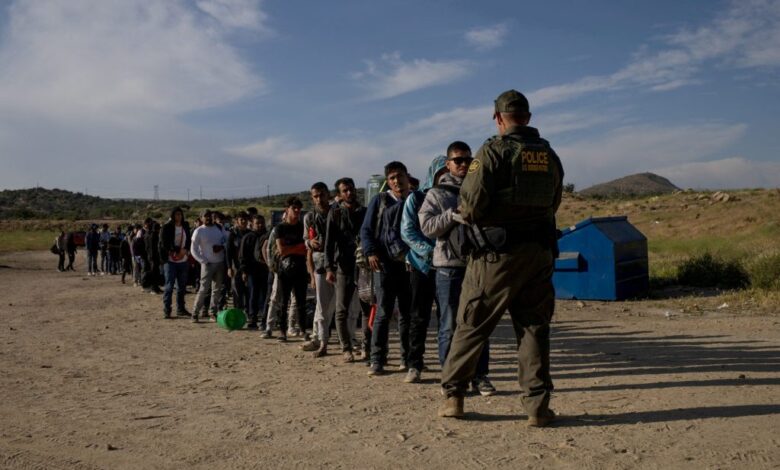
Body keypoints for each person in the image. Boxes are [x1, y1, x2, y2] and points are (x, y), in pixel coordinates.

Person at [437, 90, 563, 426]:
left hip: (496, 257)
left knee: (472, 323)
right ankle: (537, 407)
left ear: (498, 118)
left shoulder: (492, 151)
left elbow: (473, 205)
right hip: (538, 254)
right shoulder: (549, 155)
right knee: (534, 328)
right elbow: (553, 203)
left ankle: (454, 397)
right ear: (528, 117)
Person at [421, 141, 496, 396]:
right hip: (448, 269)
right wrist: (452, 214)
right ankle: (451, 379)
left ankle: (480, 376)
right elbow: (427, 227)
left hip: (478, 265)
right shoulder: (436, 194)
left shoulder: (481, 189)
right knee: (449, 324)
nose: (463, 164)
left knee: (479, 323)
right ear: (447, 164)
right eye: (458, 160)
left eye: (467, 160)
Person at [360, 161, 413, 376]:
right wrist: (371, 252)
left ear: (407, 177)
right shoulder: (380, 201)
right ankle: (378, 359)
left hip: (411, 265)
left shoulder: (415, 199)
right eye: (391, 178)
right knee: (383, 312)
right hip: (385, 264)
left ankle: (407, 358)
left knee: (408, 314)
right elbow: (366, 230)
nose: (396, 181)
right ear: (388, 182)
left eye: (399, 175)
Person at [399, 155, 447, 383]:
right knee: (419, 316)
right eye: (441, 173)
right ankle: (414, 363)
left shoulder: (454, 197)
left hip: (449, 266)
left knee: (448, 318)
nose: (444, 177)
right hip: (422, 266)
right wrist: (430, 252)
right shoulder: (416, 198)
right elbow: (408, 232)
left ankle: (448, 365)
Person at [325, 177, 371, 363]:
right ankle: (346, 348)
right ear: (339, 194)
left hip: (364, 267)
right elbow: (328, 243)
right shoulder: (334, 214)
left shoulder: (366, 212)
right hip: (343, 266)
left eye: (351, 189)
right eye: (345, 190)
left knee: (367, 309)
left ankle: (367, 347)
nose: (349, 193)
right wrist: (329, 267)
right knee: (341, 309)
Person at [301, 182, 335, 357]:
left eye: (322, 195)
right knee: (322, 306)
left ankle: (349, 342)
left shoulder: (336, 213)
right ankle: (322, 341)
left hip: (338, 264)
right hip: (320, 264)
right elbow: (307, 242)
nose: (319, 199)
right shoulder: (310, 217)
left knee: (343, 307)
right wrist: (310, 243)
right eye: (315, 196)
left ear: (328, 194)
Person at [272, 197, 309, 342]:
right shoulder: (280, 228)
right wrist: (299, 247)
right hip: (284, 269)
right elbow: (281, 250)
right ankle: (282, 331)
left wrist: (295, 249)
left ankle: (303, 330)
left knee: (301, 302)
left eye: (299, 209)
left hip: (300, 268)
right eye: (294, 208)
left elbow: (307, 249)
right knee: (284, 301)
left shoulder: (302, 227)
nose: (297, 211)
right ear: (286, 210)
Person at [190, 209, 227, 322]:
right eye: (205, 216)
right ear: (201, 218)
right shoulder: (199, 231)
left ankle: (213, 312)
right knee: (203, 289)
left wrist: (221, 247)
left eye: (210, 215)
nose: (208, 218)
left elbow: (227, 240)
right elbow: (193, 249)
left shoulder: (219, 228)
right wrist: (203, 261)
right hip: (207, 265)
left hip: (220, 263)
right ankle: (195, 313)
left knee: (216, 290)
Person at [238, 214, 270, 330]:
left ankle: (265, 318)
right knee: (253, 295)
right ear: (252, 224)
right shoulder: (248, 237)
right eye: (258, 223)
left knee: (266, 295)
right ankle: (252, 318)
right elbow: (242, 256)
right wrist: (244, 271)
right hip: (252, 271)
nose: (260, 225)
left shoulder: (268, 236)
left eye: (262, 223)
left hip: (266, 270)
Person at [159, 206, 191, 318]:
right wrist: (177, 250)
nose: (179, 216)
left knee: (181, 287)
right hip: (170, 261)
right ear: (172, 215)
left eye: (180, 214)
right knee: (169, 286)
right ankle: (167, 310)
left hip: (183, 260)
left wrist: (185, 250)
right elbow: (164, 243)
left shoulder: (185, 226)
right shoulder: (166, 227)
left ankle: (181, 308)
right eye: (176, 214)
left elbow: (189, 240)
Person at [227, 211, 250, 311]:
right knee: (237, 291)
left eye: (245, 219)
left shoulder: (250, 234)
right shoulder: (233, 235)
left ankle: (249, 311)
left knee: (248, 291)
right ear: (237, 221)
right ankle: (238, 311)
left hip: (249, 266)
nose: (244, 221)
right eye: (241, 219)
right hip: (236, 266)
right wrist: (229, 267)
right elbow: (228, 252)